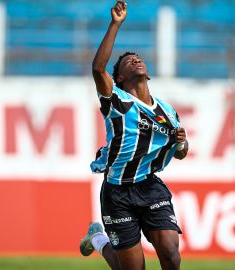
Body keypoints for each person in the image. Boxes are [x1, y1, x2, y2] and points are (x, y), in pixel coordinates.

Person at [79, 1, 189, 269]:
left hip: (151, 187)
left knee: (171, 255)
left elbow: (182, 153)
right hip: (118, 192)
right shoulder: (117, 101)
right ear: (119, 78)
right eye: (128, 61)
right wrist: (115, 24)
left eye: (138, 58)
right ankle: (98, 240)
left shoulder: (167, 111)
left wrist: (182, 143)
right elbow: (97, 69)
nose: (135, 59)